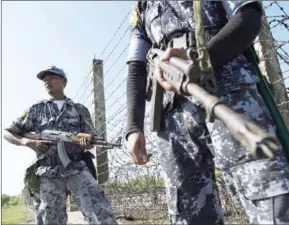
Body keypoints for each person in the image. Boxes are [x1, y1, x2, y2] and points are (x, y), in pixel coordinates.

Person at [125, 1, 289, 225]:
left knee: (268, 195)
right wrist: (133, 128)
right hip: (172, 113)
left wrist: (202, 62)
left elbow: (248, 17)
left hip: (229, 92)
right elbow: (136, 66)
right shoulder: (142, 6)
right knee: (188, 211)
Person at [3, 66, 118, 225]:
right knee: (51, 219)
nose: (47, 82)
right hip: (49, 172)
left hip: (76, 166)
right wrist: (29, 142)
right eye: (45, 80)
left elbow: (90, 140)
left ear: (64, 81)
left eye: (52, 78)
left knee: (101, 212)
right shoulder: (37, 109)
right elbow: (8, 132)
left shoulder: (79, 110)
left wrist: (86, 143)